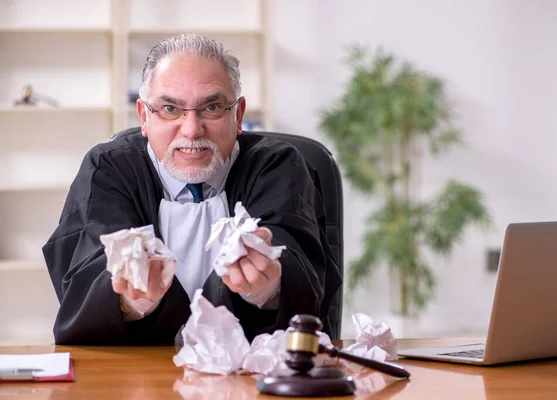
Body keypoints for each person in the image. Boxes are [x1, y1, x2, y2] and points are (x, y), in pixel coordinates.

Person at [42, 34, 341, 345]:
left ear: (238, 115)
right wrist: (133, 300)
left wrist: (264, 285)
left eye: (211, 107)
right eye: (170, 108)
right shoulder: (108, 169)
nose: (191, 129)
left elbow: (302, 270)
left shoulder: (279, 166)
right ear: (144, 116)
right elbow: (85, 280)